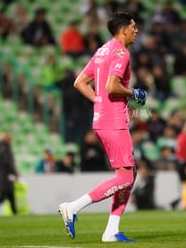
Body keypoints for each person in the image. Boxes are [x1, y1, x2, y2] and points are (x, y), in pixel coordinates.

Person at [58, 12, 146, 243]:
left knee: (130, 173)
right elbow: (111, 87)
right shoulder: (121, 52)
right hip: (114, 122)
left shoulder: (102, 50)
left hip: (102, 120)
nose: (136, 30)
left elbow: (80, 82)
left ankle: (111, 230)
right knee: (125, 178)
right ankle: (73, 207)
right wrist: (134, 93)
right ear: (123, 29)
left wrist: (98, 102)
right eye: (133, 26)